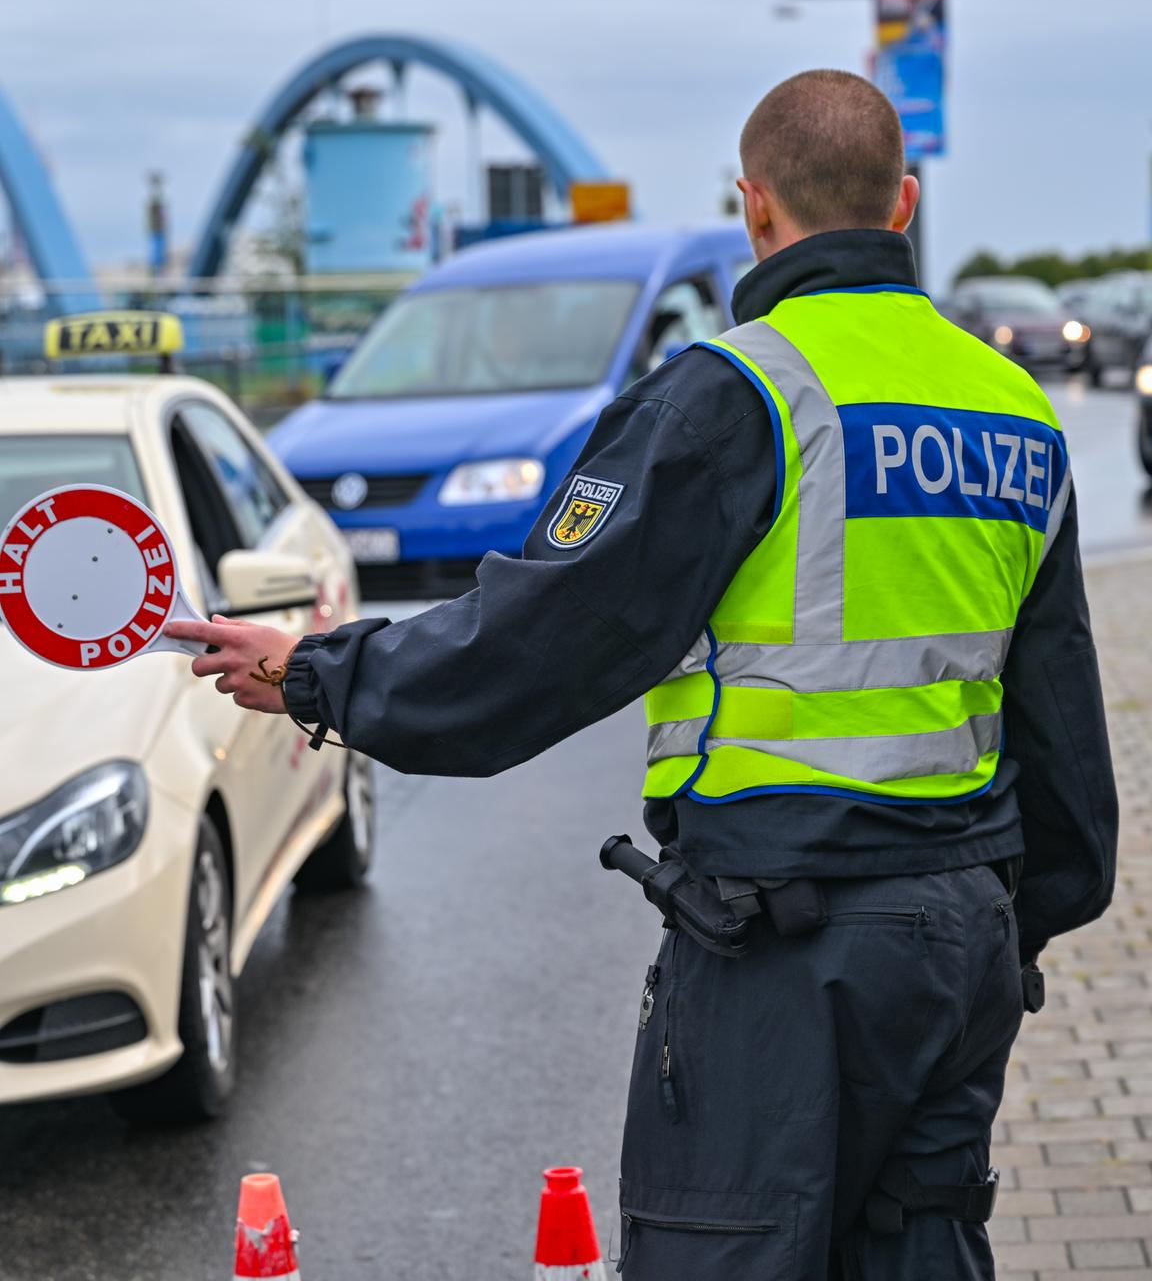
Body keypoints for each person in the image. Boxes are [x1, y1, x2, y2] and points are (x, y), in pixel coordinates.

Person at [169, 69, 1117, 1280]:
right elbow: (1065, 721)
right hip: (960, 935)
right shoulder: (1013, 408)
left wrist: (320, 675)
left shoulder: (739, 395)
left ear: (754, 207)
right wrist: (1014, 919)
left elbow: (543, 643)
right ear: (904, 205)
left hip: (787, 947)